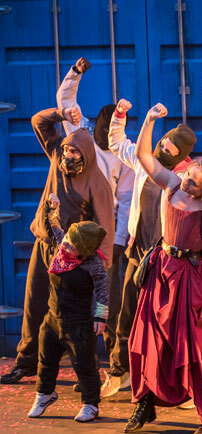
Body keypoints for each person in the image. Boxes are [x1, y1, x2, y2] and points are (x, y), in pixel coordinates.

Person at [124, 103, 202, 434]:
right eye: (189, 176)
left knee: (198, 351)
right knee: (146, 340)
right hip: (160, 272)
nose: (187, 183)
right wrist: (148, 120)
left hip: (191, 280)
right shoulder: (172, 183)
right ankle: (145, 403)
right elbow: (145, 157)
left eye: (194, 182)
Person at [1, 107, 115, 385]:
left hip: (73, 257)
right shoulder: (55, 157)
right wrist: (62, 113)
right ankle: (26, 363)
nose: (68, 155)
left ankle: (88, 372)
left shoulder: (97, 183)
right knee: (34, 305)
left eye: (74, 152)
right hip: (44, 246)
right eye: (66, 150)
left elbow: (105, 227)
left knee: (75, 316)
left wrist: (101, 263)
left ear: (85, 154)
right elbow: (37, 121)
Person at [101, 98, 194, 398]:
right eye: (164, 144)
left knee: (165, 324)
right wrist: (122, 115)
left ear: (181, 156)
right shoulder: (145, 162)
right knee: (126, 314)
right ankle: (119, 372)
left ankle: (173, 386)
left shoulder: (183, 178)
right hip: (136, 253)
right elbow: (117, 143)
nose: (163, 150)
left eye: (170, 150)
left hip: (166, 260)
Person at [55, 57, 134, 390]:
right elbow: (65, 103)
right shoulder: (83, 137)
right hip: (76, 234)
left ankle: (117, 369)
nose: (104, 131)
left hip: (105, 236)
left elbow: (126, 200)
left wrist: (118, 241)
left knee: (108, 304)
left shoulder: (122, 153)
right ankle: (88, 369)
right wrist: (75, 73)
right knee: (76, 304)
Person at [27, 194, 109, 423]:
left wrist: (100, 318)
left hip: (78, 324)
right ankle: (44, 394)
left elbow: (103, 291)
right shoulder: (63, 247)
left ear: (83, 252)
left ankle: (91, 404)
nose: (64, 245)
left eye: (70, 245)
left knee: (83, 366)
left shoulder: (94, 266)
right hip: (52, 319)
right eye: (66, 241)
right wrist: (52, 208)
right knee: (46, 359)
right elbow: (54, 226)